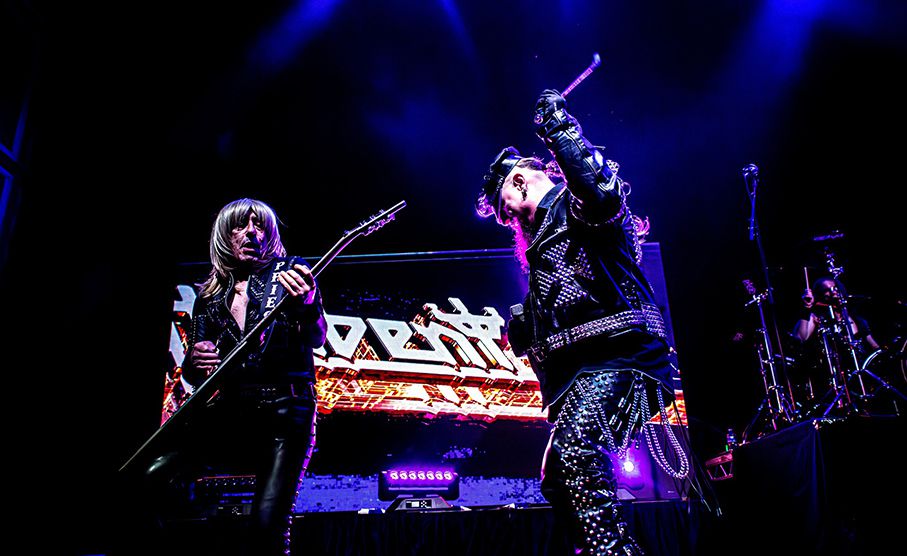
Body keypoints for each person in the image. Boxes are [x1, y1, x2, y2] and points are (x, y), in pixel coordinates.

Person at [475, 90, 690, 555]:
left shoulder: (575, 208)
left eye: (502, 207)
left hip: (621, 360)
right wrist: (528, 327)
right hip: (585, 372)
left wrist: (559, 130)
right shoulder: (541, 243)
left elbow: (599, 191)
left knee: (576, 451)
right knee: (557, 476)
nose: (505, 220)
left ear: (519, 181)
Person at [142, 198, 327, 556]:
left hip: (286, 410)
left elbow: (317, 336)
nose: (251, 233)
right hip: (231, 411)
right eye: (241, 225)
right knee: (147, 479)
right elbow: (195, 373)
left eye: (260, 226)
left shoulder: (290, 271)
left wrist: (308, 305)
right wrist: (195, 360)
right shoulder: (209, 297)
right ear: (225, 235)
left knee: (267, 528)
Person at [791, 275, 879, 408]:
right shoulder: (817, 317)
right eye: (826, 290)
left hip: (862, 375)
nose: (832, 291)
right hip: (832, 378)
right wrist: (806, 309)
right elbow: (801, 337)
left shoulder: (856, 319)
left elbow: (874, 346)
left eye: (834, 287)